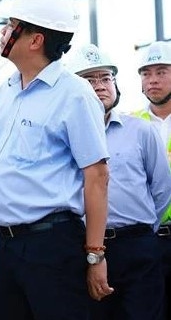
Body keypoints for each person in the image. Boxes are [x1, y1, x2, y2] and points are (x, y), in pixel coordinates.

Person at [0, 0, 112, 319]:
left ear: (35, 40)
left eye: (11, 27)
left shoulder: (74, 94)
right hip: (7, 246)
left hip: (51, 246)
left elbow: (97, 177)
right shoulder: (6, 90)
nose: (3, 33)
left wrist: (95, 255)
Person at [67, 43, 171, 319]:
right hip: (85, 248)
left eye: (105, 78)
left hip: (138, 247)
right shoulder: (61, 138)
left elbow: (161, 190)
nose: (99, 85)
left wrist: (143, 231)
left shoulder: (141, 131)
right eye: (89, 80)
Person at [132, 40, 171, 316]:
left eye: (161, 72)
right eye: (146, 73)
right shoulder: (130, 124)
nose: (153, 80)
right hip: (147, 240)